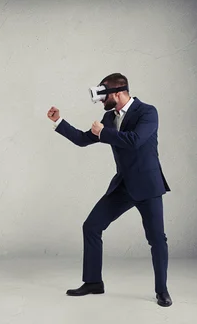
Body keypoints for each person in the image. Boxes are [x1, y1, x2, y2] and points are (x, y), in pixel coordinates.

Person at [47, 73, 172, 307]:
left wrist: (103, 133)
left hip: (147, 186)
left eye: (104, 95)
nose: (101, 100)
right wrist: (59, 122)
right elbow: (84, 139)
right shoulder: (109, 116)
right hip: (123, 185)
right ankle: (94, 282)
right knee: (92, 226)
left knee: (156, 239)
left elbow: (135, 140)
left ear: (117, 93)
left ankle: (162, 290)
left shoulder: (147, 112)